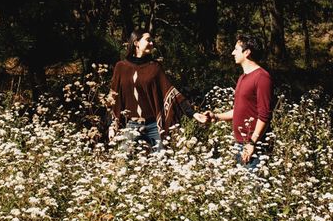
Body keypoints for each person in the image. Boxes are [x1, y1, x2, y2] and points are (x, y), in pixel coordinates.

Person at [108, 28, 207, 152]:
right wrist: (112, 125)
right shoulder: (121, 67)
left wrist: (193, 113)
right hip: (130, 126)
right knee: (124, 163)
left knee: (162, 161)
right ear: (136, 43)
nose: (152, 43)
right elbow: (113, 98)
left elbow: (171, 93)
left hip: (153, 125)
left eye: (152, 41)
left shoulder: (154, 67)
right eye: (148, 40)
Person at [200, 34, 273, 169]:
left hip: (253, 146)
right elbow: (239, 110)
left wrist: (252, 142)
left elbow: (265, 115)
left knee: (254, 188)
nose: (232, 53)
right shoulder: (242, 78)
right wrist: (216, 116)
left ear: (247, 52)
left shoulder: (262, 77)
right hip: (240, 143)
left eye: (236, 49)